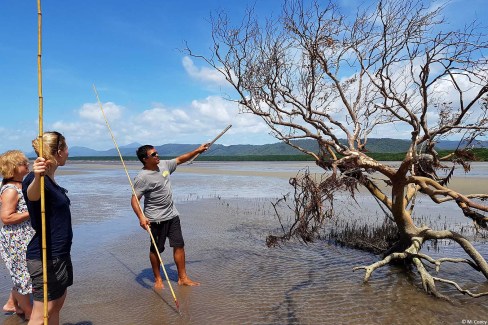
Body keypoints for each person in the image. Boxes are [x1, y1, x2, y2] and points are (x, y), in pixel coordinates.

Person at [131, 143, 209, 288]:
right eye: (153, 154)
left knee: (179, 245)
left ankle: (183, 278)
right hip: (156, 219)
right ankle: (158, 279)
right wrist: (141, 217)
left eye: (156, 153)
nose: (157, 155)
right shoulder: (142, 178)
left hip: (172, 215)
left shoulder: (164, 165)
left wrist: (197, 150)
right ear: (144, 159)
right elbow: (134, 200)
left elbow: (180, 159)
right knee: (156, 250)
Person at [23, 131, 73, 325]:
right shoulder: (36, 179)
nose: (68, 153)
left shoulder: (50, 179)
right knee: (43, 310)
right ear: (59, 151)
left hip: (59, 253)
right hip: (45, 255)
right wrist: (37, 177)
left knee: (57, 303)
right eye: (66, 148)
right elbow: (32, 195)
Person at [0, 150, 35, 320]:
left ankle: (12, 303)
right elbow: (6, 217)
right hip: (16, 239)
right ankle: (28, 312)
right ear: (13, 168)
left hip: (24, 237)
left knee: (22, 273)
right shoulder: (11, 189)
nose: (26, 165)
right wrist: (32, 212)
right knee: (23, 275)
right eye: (22, 163)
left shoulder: (21, 184)